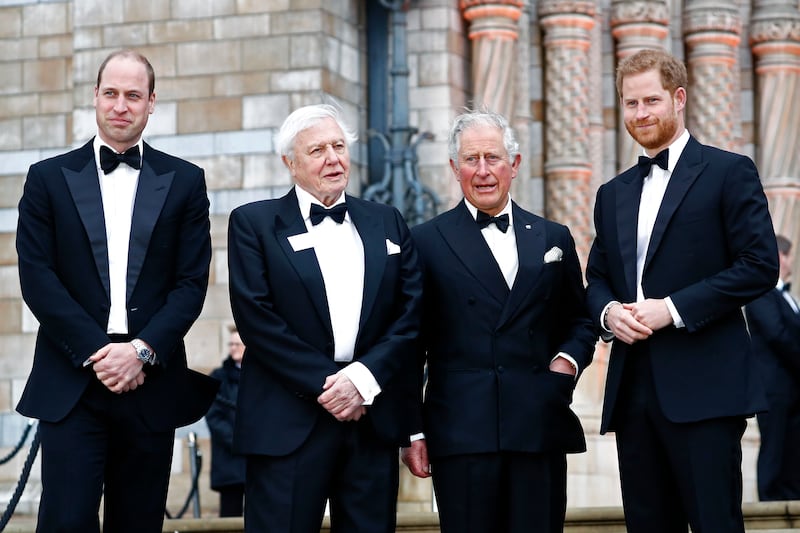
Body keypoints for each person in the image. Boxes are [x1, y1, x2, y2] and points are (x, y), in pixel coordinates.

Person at [14, 49, 219, 533]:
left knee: (139, 523)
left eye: (133, 95)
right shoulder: (47, 178)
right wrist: (99, 351)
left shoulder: (186, 181)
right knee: (65, 522)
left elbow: (192, 283)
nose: (120, 105)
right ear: (95, 98)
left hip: (152, 383)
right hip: (73, 380)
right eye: (111, 93)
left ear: (151, 103)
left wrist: (141, 352)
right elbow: (37, 278)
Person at [585, 48, 778, 533]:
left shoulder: (729, 171)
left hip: (706, 391)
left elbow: (759, 266)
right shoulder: (612, 193)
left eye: (651, 100)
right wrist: (609, 313)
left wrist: (670, 309)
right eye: (630, 103)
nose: (641, 113)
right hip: (633, 393)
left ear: (678, 98)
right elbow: (598, 276)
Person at [227, 103, 422, 533]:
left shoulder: (387, 220)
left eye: (339, 146)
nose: (333, 158)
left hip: (371, 422)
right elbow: (257, 319)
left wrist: (362, 382)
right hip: (287, 425)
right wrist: (331, 385)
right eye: (317, 150)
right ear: (290, 163)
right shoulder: (253, 224)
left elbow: (410, 317)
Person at [401, 110, 597, 533]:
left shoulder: (553, 237)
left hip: (538, 423)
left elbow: (581, 319)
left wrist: (565, 364)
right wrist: (412, 431)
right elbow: (409, 342)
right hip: (461, 432)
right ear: (455, 168)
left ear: (516, 163)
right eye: (471, 159)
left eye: (493, 158)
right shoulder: (424, 241)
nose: (483, 171)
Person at [745, 235, 800, 501]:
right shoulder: (760, 291)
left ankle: (792, 496)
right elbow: (776, 334)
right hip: (773, 386)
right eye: (789, 256)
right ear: (780, 257)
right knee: (774, 443)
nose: (791, 262)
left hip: (793, 385)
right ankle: (769, 502)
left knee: (792, 444)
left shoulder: (790, 297)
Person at [206, 326, 247, 517]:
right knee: (230, 516)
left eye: (237, 344)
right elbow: (214, 417)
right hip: (229, 460)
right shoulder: (218, 377)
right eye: (231, 344)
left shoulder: (260, 377)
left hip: (256, 461)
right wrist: (238, 441)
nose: (233, 348)